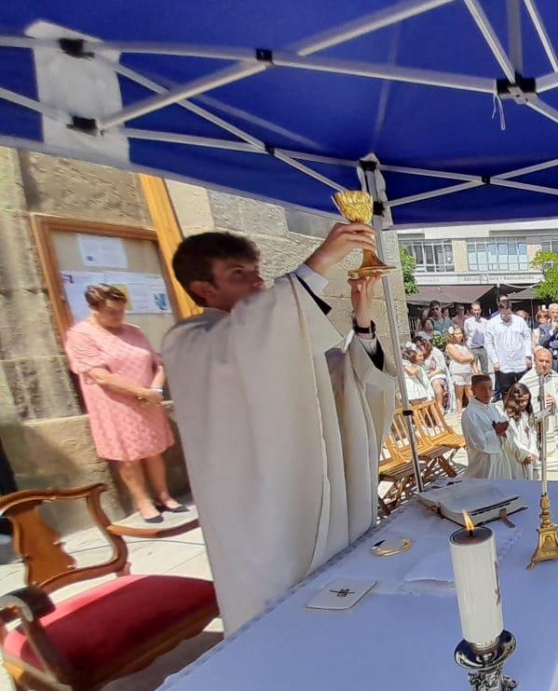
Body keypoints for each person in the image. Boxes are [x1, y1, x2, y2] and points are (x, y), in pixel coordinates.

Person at [163, 224, 395, 634]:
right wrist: (321, 261)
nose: (257, 282)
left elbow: (342, 382)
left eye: (256, 271)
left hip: (311, 492)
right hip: (259, 514)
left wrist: (362, 320)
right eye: (238, 273)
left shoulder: (268, 339)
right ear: (203, 288)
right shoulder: (191, 343)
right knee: (279, 621)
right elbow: (254, 334)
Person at [64, 284, 183, 523]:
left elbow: (156, 362)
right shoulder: (80, 335)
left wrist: (155, 389)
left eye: (121, 311)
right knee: (129, 456)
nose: (118, 316)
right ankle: (143, 502)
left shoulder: (134, 331)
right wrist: (141, 392)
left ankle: (164, 495)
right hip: (115, 404)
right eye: (111, 312)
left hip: (148, 400)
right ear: (94, 309)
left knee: (154, 450)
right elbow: (100, 376)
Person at [518, 347, 558, 470]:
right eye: (541, 361)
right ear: (535, 361)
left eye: (547, 362)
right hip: (534, 422)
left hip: (552, 421)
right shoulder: (526, 380)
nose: (544, 364)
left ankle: (553, 459)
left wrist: (556, 400)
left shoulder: (556, 377)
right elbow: (519, 401)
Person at [462, 375, 514, 479]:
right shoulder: (470, 414)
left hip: (500, 457)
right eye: (482, 389)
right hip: (484, 461)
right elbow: (477, 442)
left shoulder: (494, 408)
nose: (487, 393)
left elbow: (507, 428)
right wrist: (495, 432)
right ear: (473, 390)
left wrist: (505, 431)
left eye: (490, 388)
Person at [485, 296, 532, 400]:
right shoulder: (492, 323)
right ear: (499, 310)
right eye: (503, 313)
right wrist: (494, 360)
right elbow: (489, 343)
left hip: (520, 362)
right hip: (503, 363)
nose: (506, 316)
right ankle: (508, 414)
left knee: (524, 390)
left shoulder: (519, 321)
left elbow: (527, 338)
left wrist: (528, 355)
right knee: (506, 392)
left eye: (508, 313)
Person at [499, 383, 537, 479]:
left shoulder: (525, 413)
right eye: (522, 401)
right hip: (515, 457)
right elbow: (509, 440)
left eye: (527, 400)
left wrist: (532, 451)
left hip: (527, 454)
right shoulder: (506, 417)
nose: (525, 403)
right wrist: (522, 455)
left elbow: (532, 433)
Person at [445, 325, 478, 412]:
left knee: (470, 392)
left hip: (468, 370)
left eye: (460, 333)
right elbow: (460, 359)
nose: (459, 335)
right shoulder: (450, 346)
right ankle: (459, 412)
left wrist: (476, 370)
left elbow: (472, 359)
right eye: (457, 334)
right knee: (459, 394)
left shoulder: (465, 344)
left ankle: (473, 410)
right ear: (452, 335)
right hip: (458, 371)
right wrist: (470, 357)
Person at [418, 334, 450, 414]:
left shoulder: (435, 351)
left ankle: (440, 406)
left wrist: (429, 375)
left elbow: (441, 367)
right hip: (423, 376)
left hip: (437, 374)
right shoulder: (417, 354)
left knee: (435, 382)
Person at [464, 302, 489, 373]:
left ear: (480, 310)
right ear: (472, 311)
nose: (477, 312)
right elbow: (466, 334)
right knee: (473, 369)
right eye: (475, 310)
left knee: (485, 369)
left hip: (483, 348)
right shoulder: (467, 322)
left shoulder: (485, 322)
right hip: (472, 349)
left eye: (478, 310)